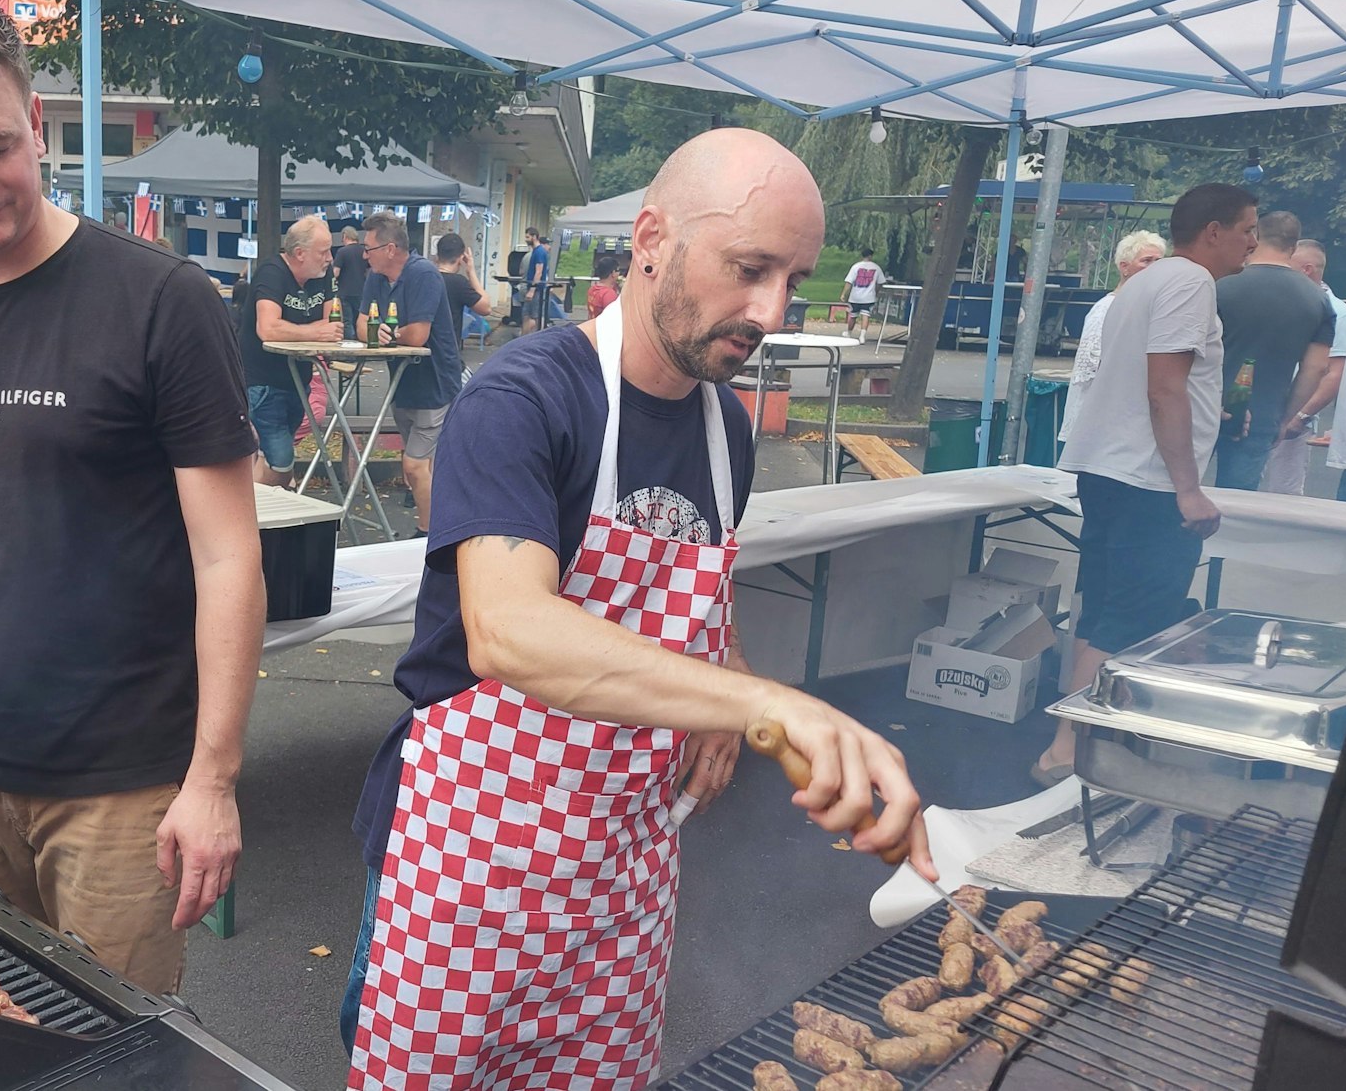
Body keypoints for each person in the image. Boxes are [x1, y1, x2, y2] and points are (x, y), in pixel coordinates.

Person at [342, 130, 937, 1089]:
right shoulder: (522, 398)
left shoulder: (726, 428)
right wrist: (767, 701)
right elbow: (508, 629)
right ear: (652, 238)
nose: (771, 312)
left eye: (793, 280)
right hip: (469, 866)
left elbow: (695, 605)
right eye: (749, 268)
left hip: (626, 869)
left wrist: (731, 684)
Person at [0, 0, 262, 996]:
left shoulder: (159, 300)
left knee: (111, 1047)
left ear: (36, 122)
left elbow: (228, 555)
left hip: (123, 788)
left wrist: (212, 779)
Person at [1046, 183, 1259, 783]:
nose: (1253, 241)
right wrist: (1188, 488)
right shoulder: (1190, 282)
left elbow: (1160, 383)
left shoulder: (1145, 282)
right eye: (1247, 228)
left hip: (1109, 469)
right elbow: (1164, 387)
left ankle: (1076, 744)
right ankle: (1070, 751)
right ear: (1213, 231)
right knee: (1132, 617)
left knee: (1103, 609)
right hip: (1148, 481)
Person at [1209, 211, 1335, 492]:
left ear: (1256, 237)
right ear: (1294, 246)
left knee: (1180, 493)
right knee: (1238, 499)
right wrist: (1285, 417)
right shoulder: (1318, 301)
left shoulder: (1220, 285)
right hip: (1262, 416)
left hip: (1204, 407)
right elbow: (1316, 368)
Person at [356, 212, 462, 537]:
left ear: (390, 249)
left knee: (415, 466)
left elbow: (418, 335)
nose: (364, 255)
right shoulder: (376, 278)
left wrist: (385, 333)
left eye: (369, 248)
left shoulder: (424, 274)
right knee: (422, 466)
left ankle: (427, 535)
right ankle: (445, 530)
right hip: (403, 384)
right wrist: (376, 331)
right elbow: (361, 324)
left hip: (435, 384)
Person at [237, 215, 337, 488]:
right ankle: (261, 506)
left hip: (298, 379)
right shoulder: (272, 273)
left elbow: (334, 323)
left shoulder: (322, 275)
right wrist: (313, 331)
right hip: (262, 381)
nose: (329, 258)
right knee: (281, 461)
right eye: (323, 252)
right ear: (299, 253)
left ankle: (254, 507)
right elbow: (268, 328)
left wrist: (297, 329)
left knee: (271, 457)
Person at [1059, 231, 1167, 443]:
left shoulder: (1147, 307)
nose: (1154, 267)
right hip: (1101, 423)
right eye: (1146, 261)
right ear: (1124, 267)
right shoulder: (1106, 309)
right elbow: (1090, 369)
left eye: (1159, 261)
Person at [1272, 240, 1346, 496]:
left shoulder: (1339, 314)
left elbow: (1335, 373)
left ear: (1306, 269)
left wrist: (1300, 416)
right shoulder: (1286, 304)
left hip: (1293, 418)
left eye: (1287, 265)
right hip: (1267, 411)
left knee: (1283, 493)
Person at [434, 232, 494, 340]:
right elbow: (486, 308)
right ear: (461, 258)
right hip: (448, 345)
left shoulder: (426, 277)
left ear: (437, 256)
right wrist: (471, 271)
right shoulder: (459, 283)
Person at [519, 225, 566, 333]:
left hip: (536, 290)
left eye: (527, 237)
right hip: (532, 288)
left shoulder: (539, 252)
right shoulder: (536, 251)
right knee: (526, 315)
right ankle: (525, 337)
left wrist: (532, 290)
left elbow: (538, 271)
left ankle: (533, 337)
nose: (526, 240)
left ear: (534, 237)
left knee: (534, 316)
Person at [333, 225, 369, 341]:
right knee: (360, 319)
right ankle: (361, 341)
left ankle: (349, 344)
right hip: (361, 290)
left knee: (347, 321)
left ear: (345, 236)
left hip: (345, 291)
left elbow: (336, 272)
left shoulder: (342, 252)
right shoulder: (364, 251)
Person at [841, 246, 884, 339]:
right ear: (871, 256)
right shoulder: (876, 268)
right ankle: (862, 336)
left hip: (855, 296)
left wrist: (843, 294)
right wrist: (876, 291)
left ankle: (849, 332)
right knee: (865, 315)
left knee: (853, 315)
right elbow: (880, 282)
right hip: (869, 297)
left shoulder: (855, 267)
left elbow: (849, 282)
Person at [586, 251, 621, 317]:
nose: (619, 273)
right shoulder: (608, 294)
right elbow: (613, 317)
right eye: (618, 270)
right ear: (613, 273)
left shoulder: (592, 289)